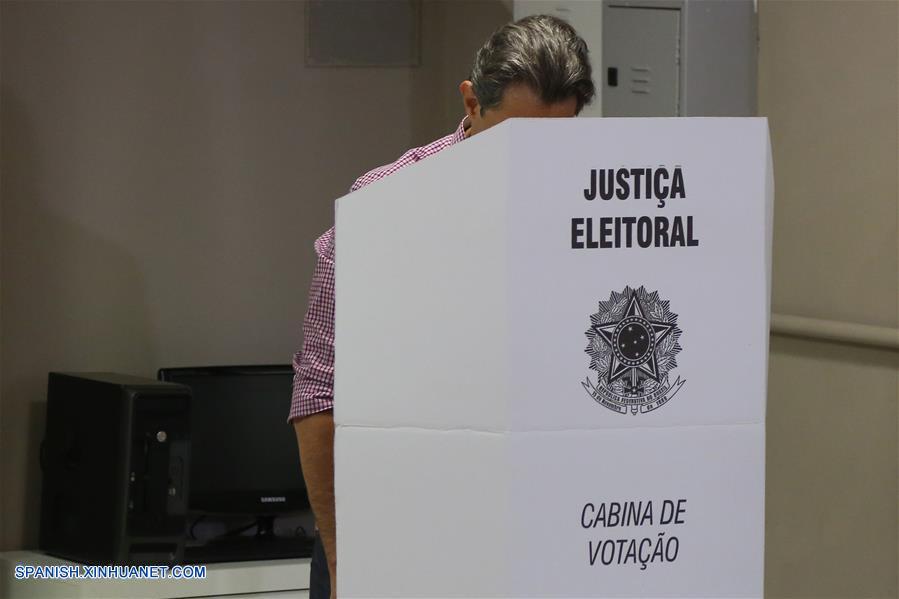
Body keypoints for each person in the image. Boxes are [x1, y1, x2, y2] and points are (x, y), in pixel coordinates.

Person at [289, 14, 595, 599]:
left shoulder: (594, 214)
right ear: (472, 103)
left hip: (543, 535)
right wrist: (341, 557)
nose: (533, 162)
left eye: (557, 141)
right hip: (396, 536)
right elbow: (319, 397)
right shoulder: (383, 210)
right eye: (516, 138)